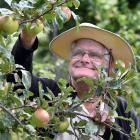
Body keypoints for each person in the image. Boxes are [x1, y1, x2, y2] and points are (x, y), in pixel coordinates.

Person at [11, 23, 139, 140]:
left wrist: (112, 130)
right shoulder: (51, 94)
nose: (85, 59)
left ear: (108, 65)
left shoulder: (123, 111)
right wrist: (27, 38)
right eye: (78, 53)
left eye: (94, 55)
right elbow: (17, 79)